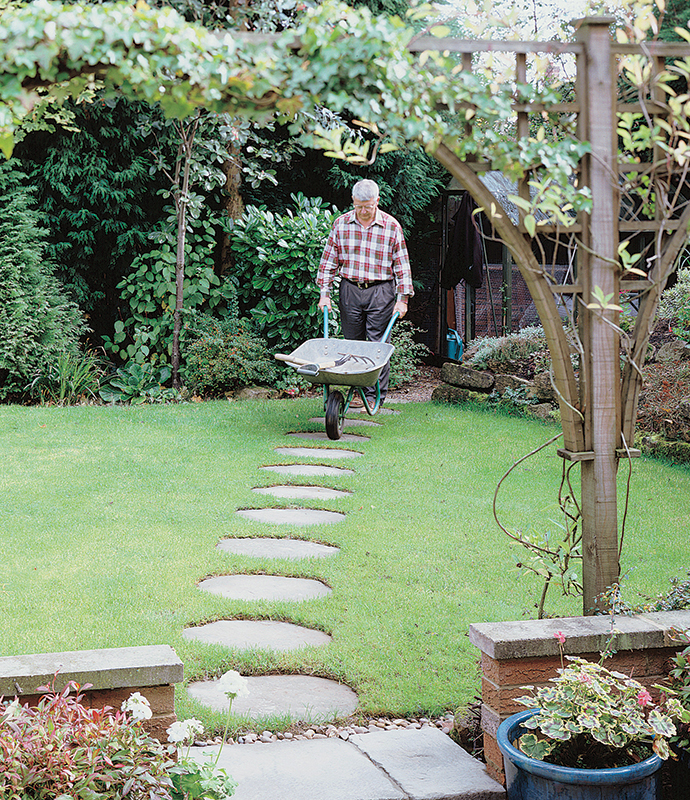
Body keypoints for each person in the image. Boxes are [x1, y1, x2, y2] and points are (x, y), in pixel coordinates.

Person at [317, 179, 413, 406]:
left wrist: (403, 300)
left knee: (377, 345)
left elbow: (402, 266)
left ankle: (373, 397)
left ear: (377, 201)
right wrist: (324, 294)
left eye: (368, 206)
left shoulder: (391, 226)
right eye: (359, 206)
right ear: (353, 201)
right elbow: (328, 262)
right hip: (350, 289)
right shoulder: (341, 224)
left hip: (381, 291)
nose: (363, 211)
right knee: (352, 344)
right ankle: (358, 392)